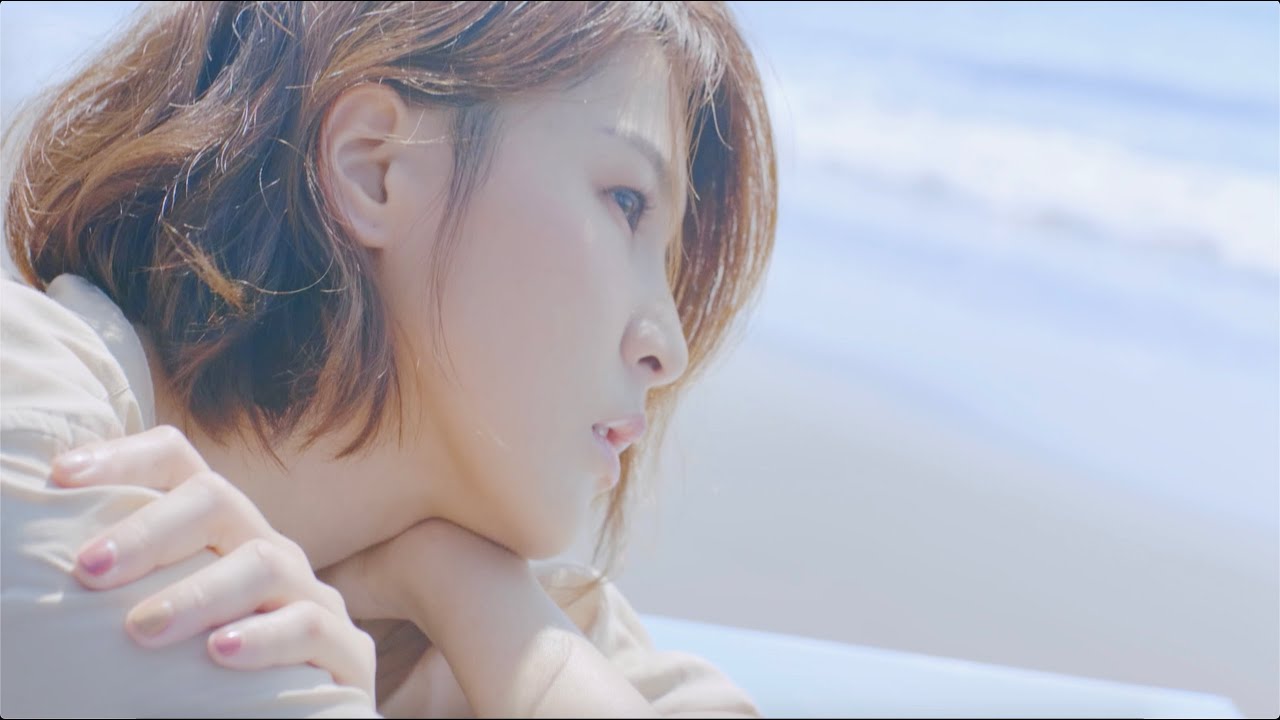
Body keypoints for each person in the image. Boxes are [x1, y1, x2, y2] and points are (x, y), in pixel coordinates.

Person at [0, 1, 776, 716]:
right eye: (628, 203)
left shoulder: (533, 622)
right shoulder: (30, 416)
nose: (670, 348)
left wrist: (468, 591)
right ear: (376, 167)